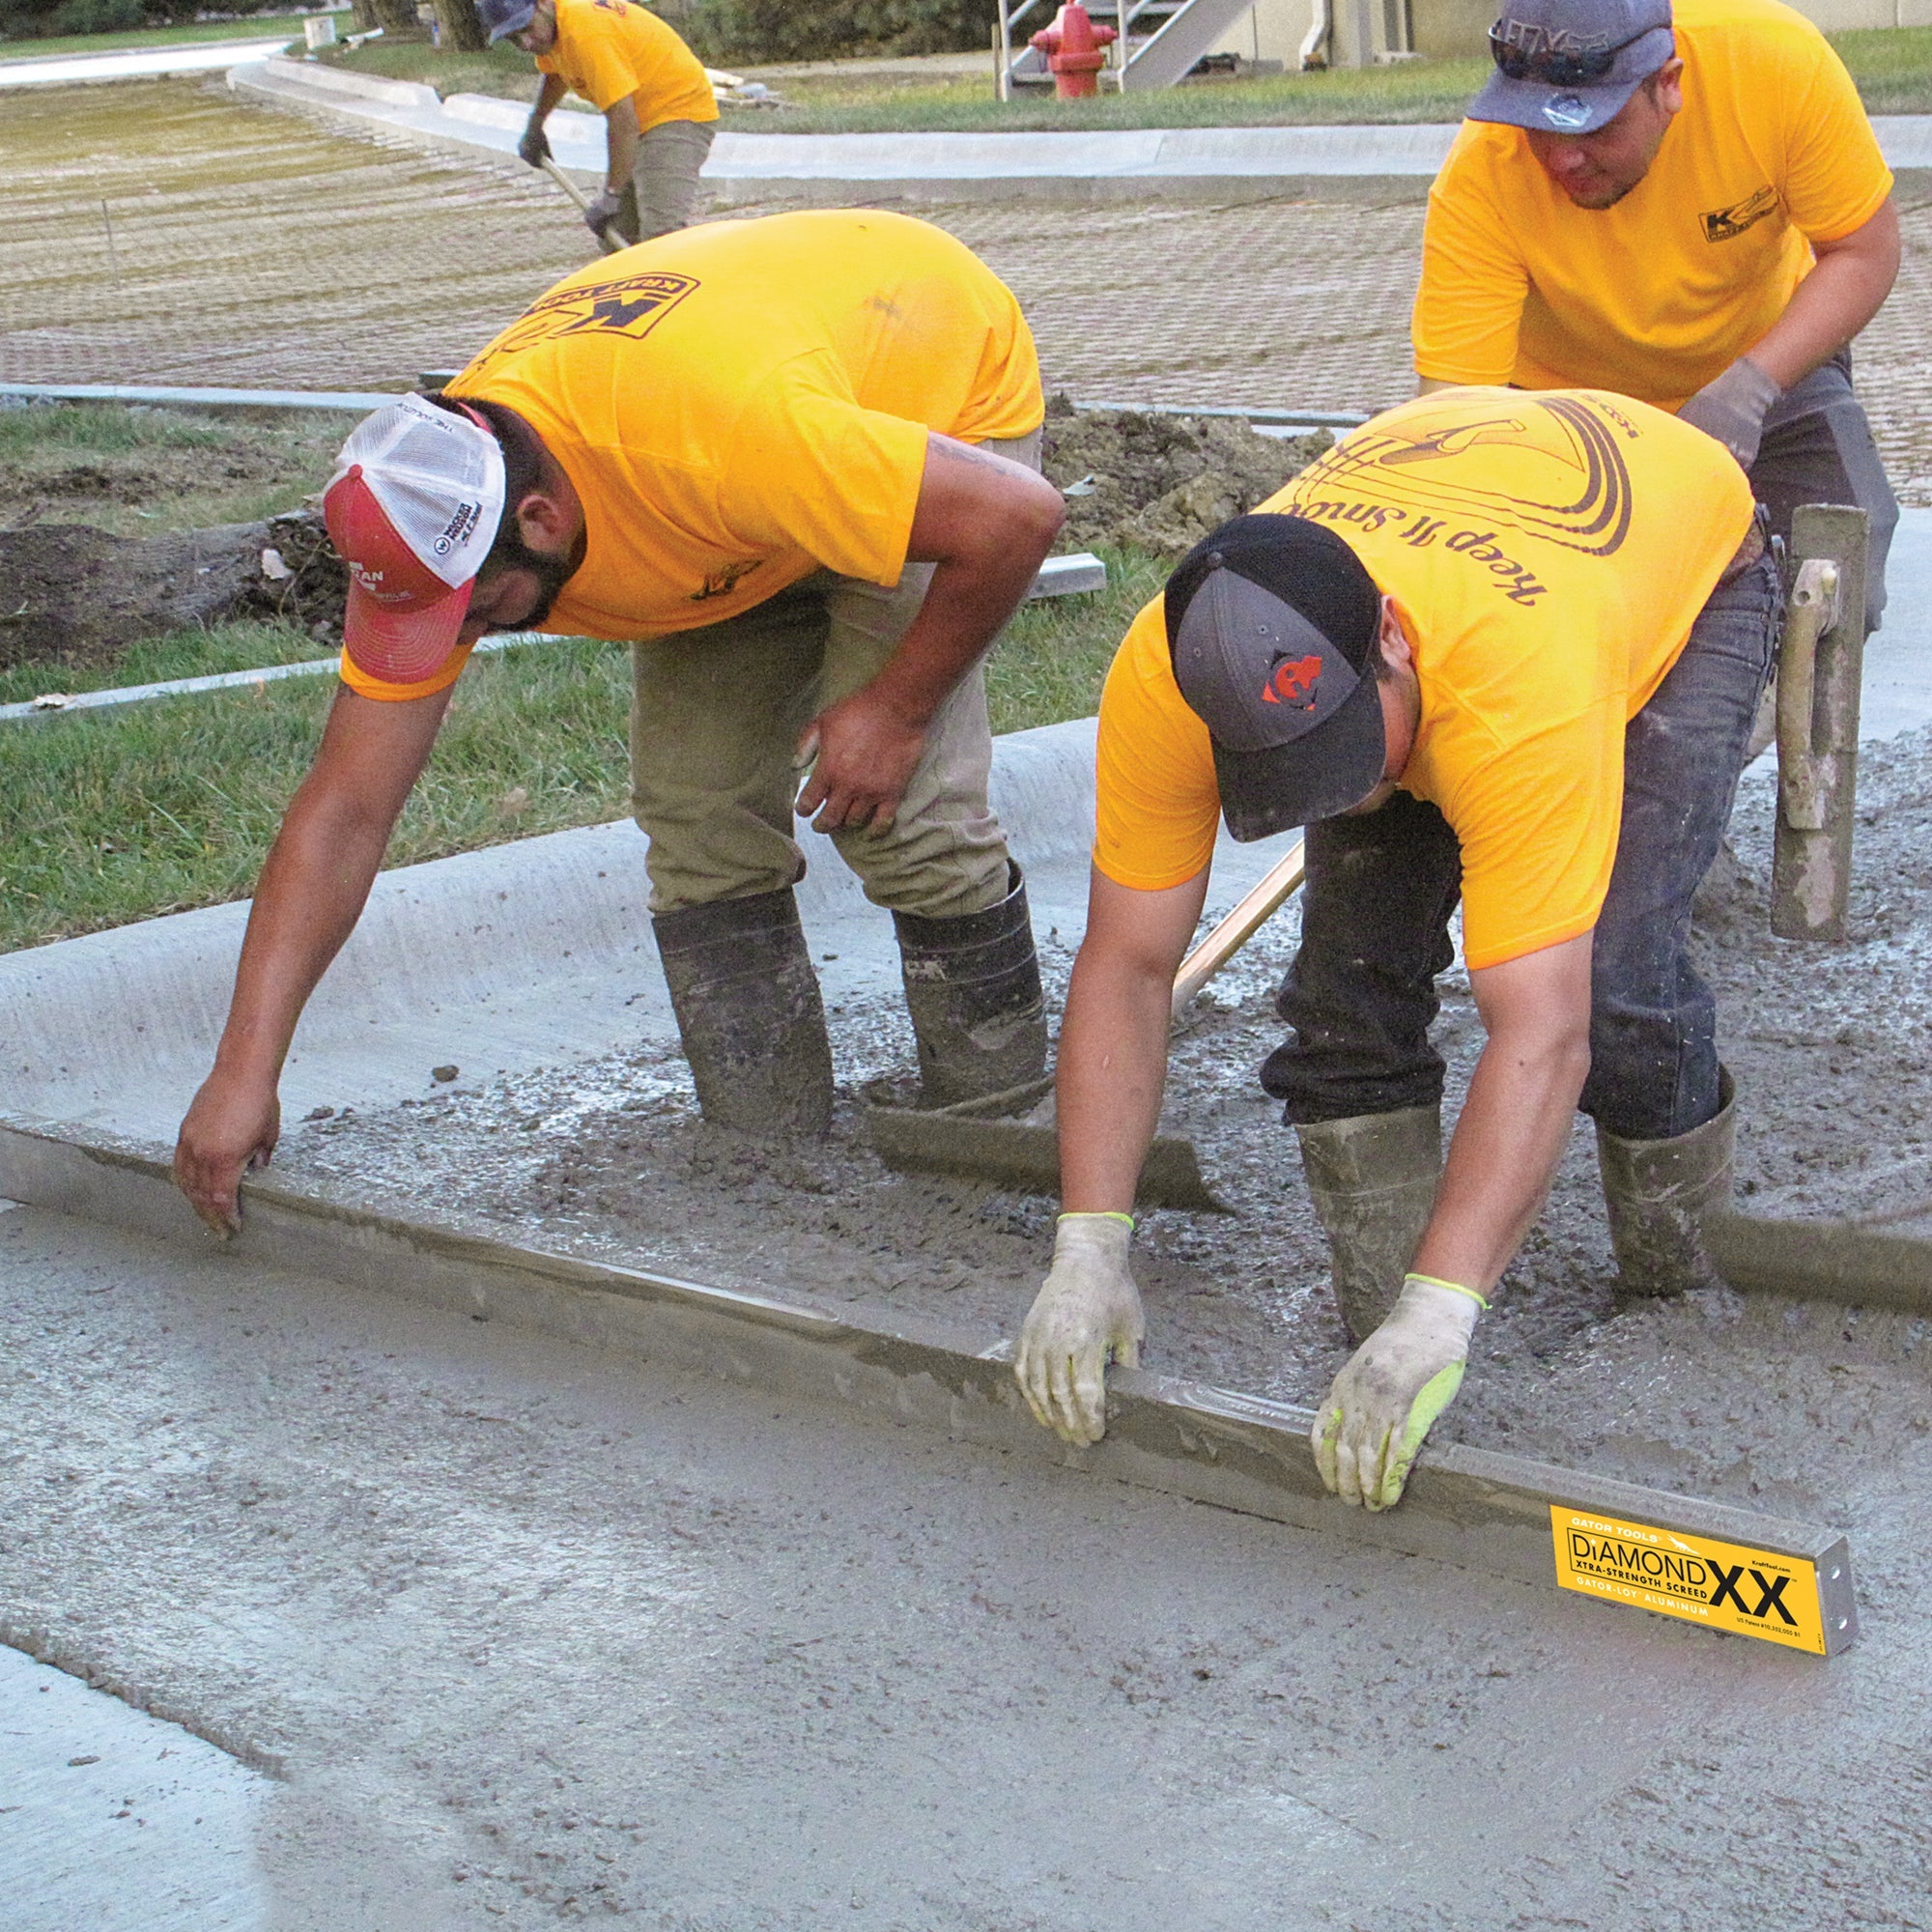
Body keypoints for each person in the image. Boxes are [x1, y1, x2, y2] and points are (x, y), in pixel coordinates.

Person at [174, 210, 1065, 1235]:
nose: (464, 639)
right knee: (696, 816)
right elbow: (345, 808)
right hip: (743, 474)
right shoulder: (438, 513)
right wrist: (243, 1070)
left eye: (484, 611)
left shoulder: (709, 441)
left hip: (923, 395)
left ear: (540, 521)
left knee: (903, 820)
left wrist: (897, 711)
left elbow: (1016, 518)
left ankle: (999, 1122)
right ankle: (763, 1150)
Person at [1011, 385, 1775, 1510]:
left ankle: (1675, 1283)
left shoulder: (1521, 686)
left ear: (1390, 643)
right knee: (1344, 1000)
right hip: (1447, 559)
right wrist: (1087, 1246)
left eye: (1345, 751)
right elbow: (1126, 965)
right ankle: (1378, 1337)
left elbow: (1539, 1032)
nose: (1342, 793)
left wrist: (1441, 1309)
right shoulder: (1168, 673)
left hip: (1674, 565)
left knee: (1615, 981)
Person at [1412, 0, 1898, 629]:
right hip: (1568, 410)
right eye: (1540, 127)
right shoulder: (1484, 172)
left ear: (1667, 85)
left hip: (1765, 362)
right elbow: (1451, 421)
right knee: (1579, 612)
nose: (1562, 159)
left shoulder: (1771, 64)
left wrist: (1748, 390)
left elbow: (1863, 251)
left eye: (1594, 128)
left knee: (1836, 571)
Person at [482, 0, 720, 247]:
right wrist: (535, 124)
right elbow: (555, 73)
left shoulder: (587, 32)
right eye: (513, 38)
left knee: (661, 234)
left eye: (526, 29)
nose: (526, 43)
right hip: (639, 115)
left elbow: (622, 120)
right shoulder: (554, 30)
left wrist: (612, 195)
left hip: (676, 110)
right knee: (617, 236)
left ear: (542, 4)